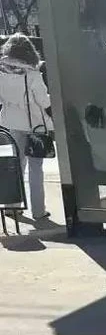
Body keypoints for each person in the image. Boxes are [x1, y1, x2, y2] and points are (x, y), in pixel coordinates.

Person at [0, 33, 52, 220]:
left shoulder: (1, 73)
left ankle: (12, 207)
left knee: (14, 166)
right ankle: (38, 211)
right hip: (34, 125)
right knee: (36, 169)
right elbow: (43, 101)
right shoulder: (32, 74)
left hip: (9, 124)